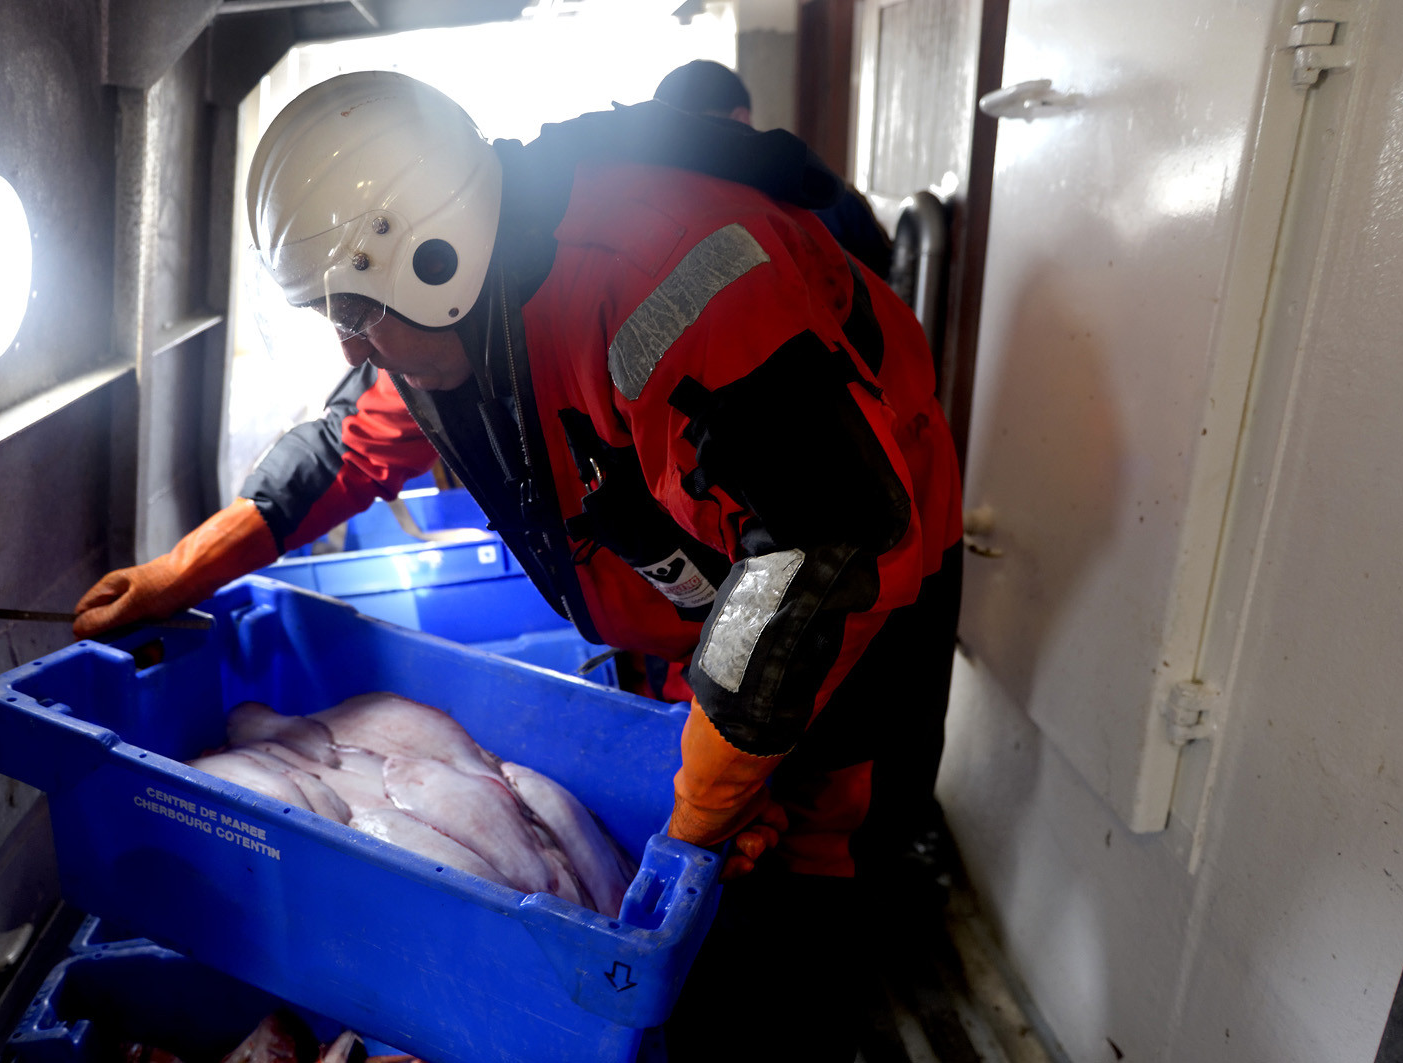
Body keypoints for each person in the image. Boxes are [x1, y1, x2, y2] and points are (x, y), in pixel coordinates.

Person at [75, 72, 962, 1060]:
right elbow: (347, 444)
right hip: (693, 611)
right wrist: (183, 571)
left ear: (435, 254)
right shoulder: (446, 332)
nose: (349, 338)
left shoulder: (674, 279)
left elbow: (826, 539)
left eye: (361, 306)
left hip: (859, 599)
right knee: (706, 901)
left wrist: (704, 806)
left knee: (812, 890)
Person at [654, 59, 896, 279]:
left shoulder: (830, 204)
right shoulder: (831, 199)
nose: (682, 153)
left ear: (740, 118)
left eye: (692, 134)